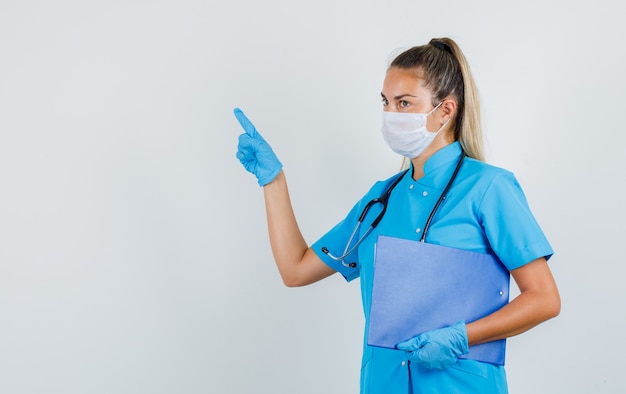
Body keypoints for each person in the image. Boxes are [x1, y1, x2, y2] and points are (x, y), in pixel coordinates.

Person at [233, 37, 560, 393]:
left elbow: (544, 298)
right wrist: (273, 180)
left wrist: (461, 337)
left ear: (446, 110)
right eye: (386, 102)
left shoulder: (488, 188)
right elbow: (295, 270)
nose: (391, 114)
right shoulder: (381, 199)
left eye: (404, 103)